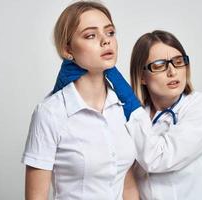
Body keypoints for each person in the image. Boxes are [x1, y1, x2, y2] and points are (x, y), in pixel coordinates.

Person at [21, 1, 138, 199]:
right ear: (68, 49)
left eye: (110, 33)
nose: (105, 41)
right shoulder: (50, 113)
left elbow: (127, 185)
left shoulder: (124, 107)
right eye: (90, 35)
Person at [104, 30, 202, 199]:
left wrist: (130, 104)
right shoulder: (134, 117)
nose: (172, 71)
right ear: (142, 76)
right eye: (159, 65)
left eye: (178, 62)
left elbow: (157, 158)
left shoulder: (201, 106)